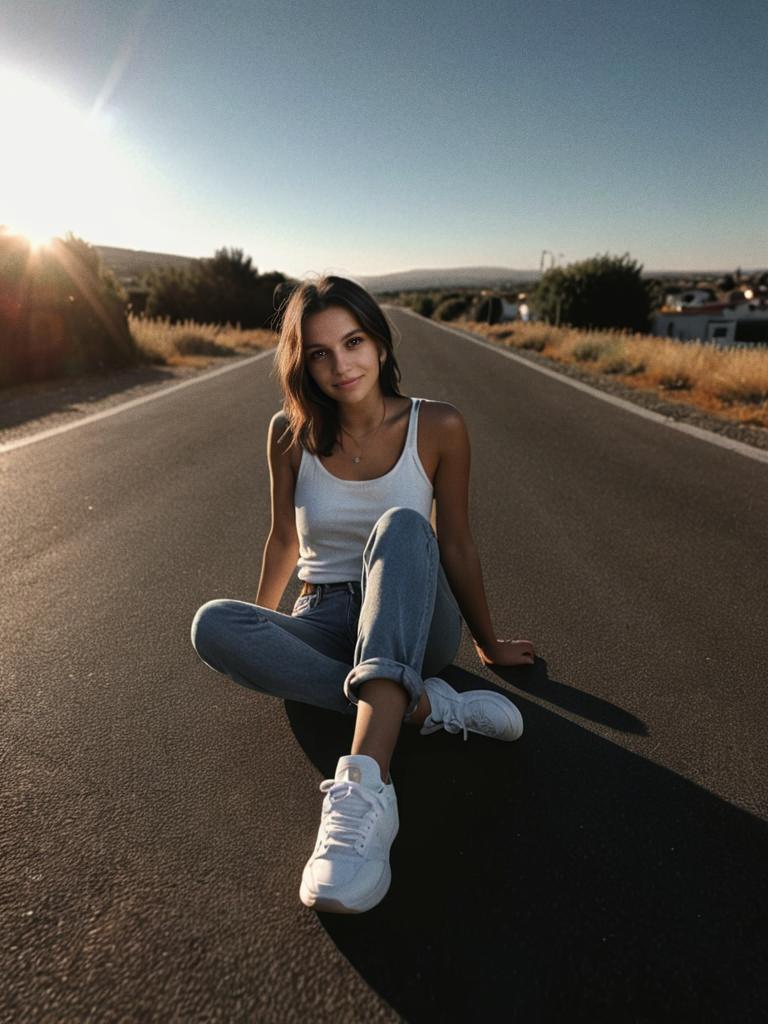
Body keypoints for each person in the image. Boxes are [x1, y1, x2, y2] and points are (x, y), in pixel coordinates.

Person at [190, 275, 535, 914]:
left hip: (412, 611)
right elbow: (281, 543)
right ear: (303, 363)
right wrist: (266, 634)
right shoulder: (287, 433)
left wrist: (489, 644)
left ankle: (362, 795)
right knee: (213, 624)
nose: (340, 364)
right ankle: (424, 708)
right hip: (322, 614)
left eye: (352, 342)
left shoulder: (439, 425)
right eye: (319, 352)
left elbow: (454, 543)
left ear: (378, 342)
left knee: (404, 525)